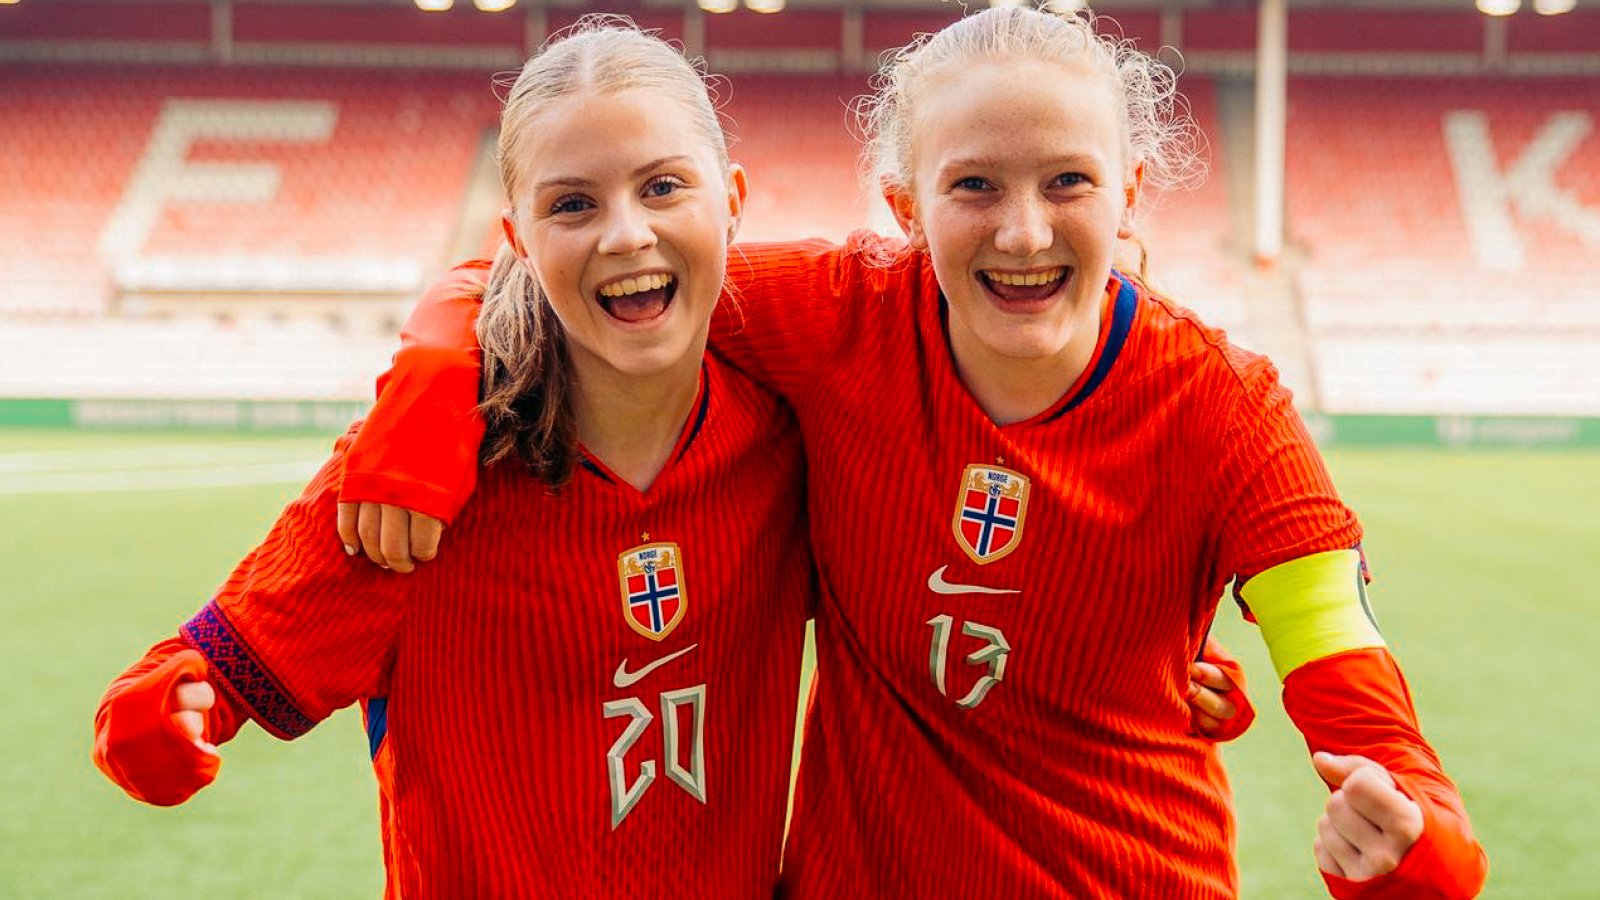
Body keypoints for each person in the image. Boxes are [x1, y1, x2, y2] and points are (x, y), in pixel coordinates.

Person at [341, 10, 1448, 900]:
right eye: (974, 185)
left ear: (1130, 193)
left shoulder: (1227, 407)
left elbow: (1346, 676)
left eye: (1067, 181)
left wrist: (1418, 840)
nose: (1023, 232)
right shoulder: (836, 316)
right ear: (906, 205)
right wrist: (431, 378)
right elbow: (575, 270)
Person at [93, 22, 817, 896]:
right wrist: (159, 717)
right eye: (573, 204)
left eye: (663, 186)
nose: (627, 234)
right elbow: (191, 679)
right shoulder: (412, 482)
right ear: (518, 237)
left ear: (733, 199)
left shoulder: (794, 436)